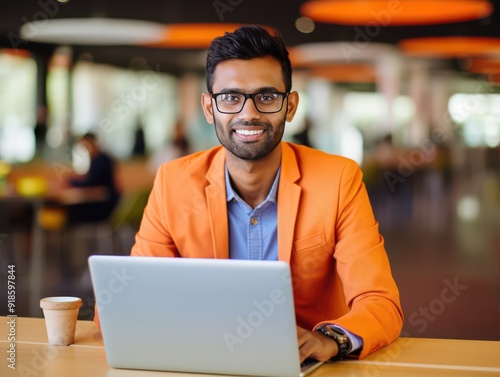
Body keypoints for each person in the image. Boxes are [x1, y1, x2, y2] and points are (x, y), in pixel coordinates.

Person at [94, 25, 403, 362]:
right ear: (209, 108)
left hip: (310, 366)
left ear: (290, 106)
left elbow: (380, 302)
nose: (248, 113)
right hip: (204, 359)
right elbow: (131, 297)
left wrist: (329, 339)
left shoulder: (338, 180)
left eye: (266, 96)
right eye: (231, 97)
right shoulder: (173, 182)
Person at [65, 132, 120, 225]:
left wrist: (69, 182)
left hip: (105, 206)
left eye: (86, 145)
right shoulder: (98, 160)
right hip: (103, 203)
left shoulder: (102, 160)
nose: (85, 149)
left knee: (71, 214)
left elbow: (90, 182)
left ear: (93, 143)